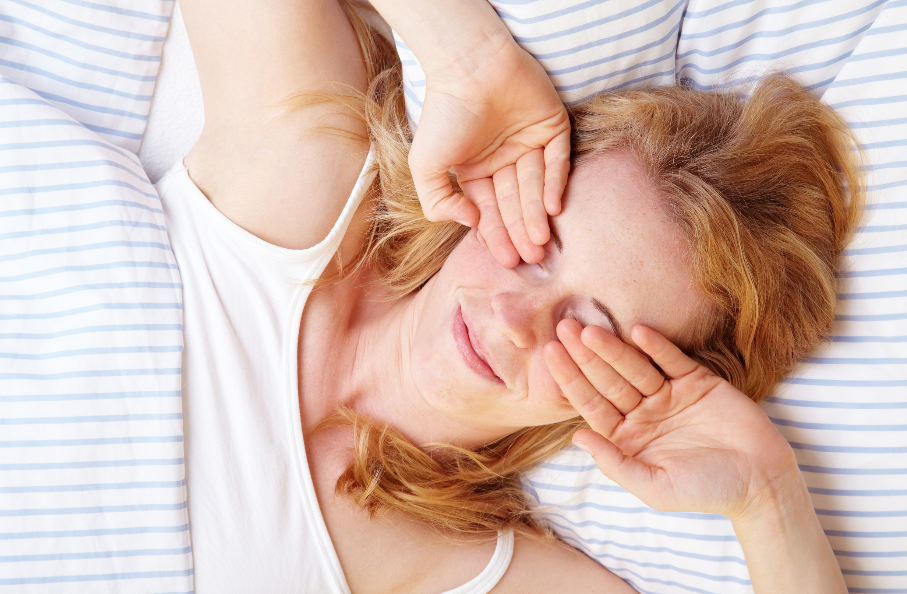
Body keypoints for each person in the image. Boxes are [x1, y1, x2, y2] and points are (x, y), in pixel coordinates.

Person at [164, 0, 863, 592]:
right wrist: (470, 59)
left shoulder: (473, 567)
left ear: (649, 387)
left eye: (589, 332)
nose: (514, 320)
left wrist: (768, 500)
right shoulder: (304, 178)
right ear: (502, 183)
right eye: (537, 248)